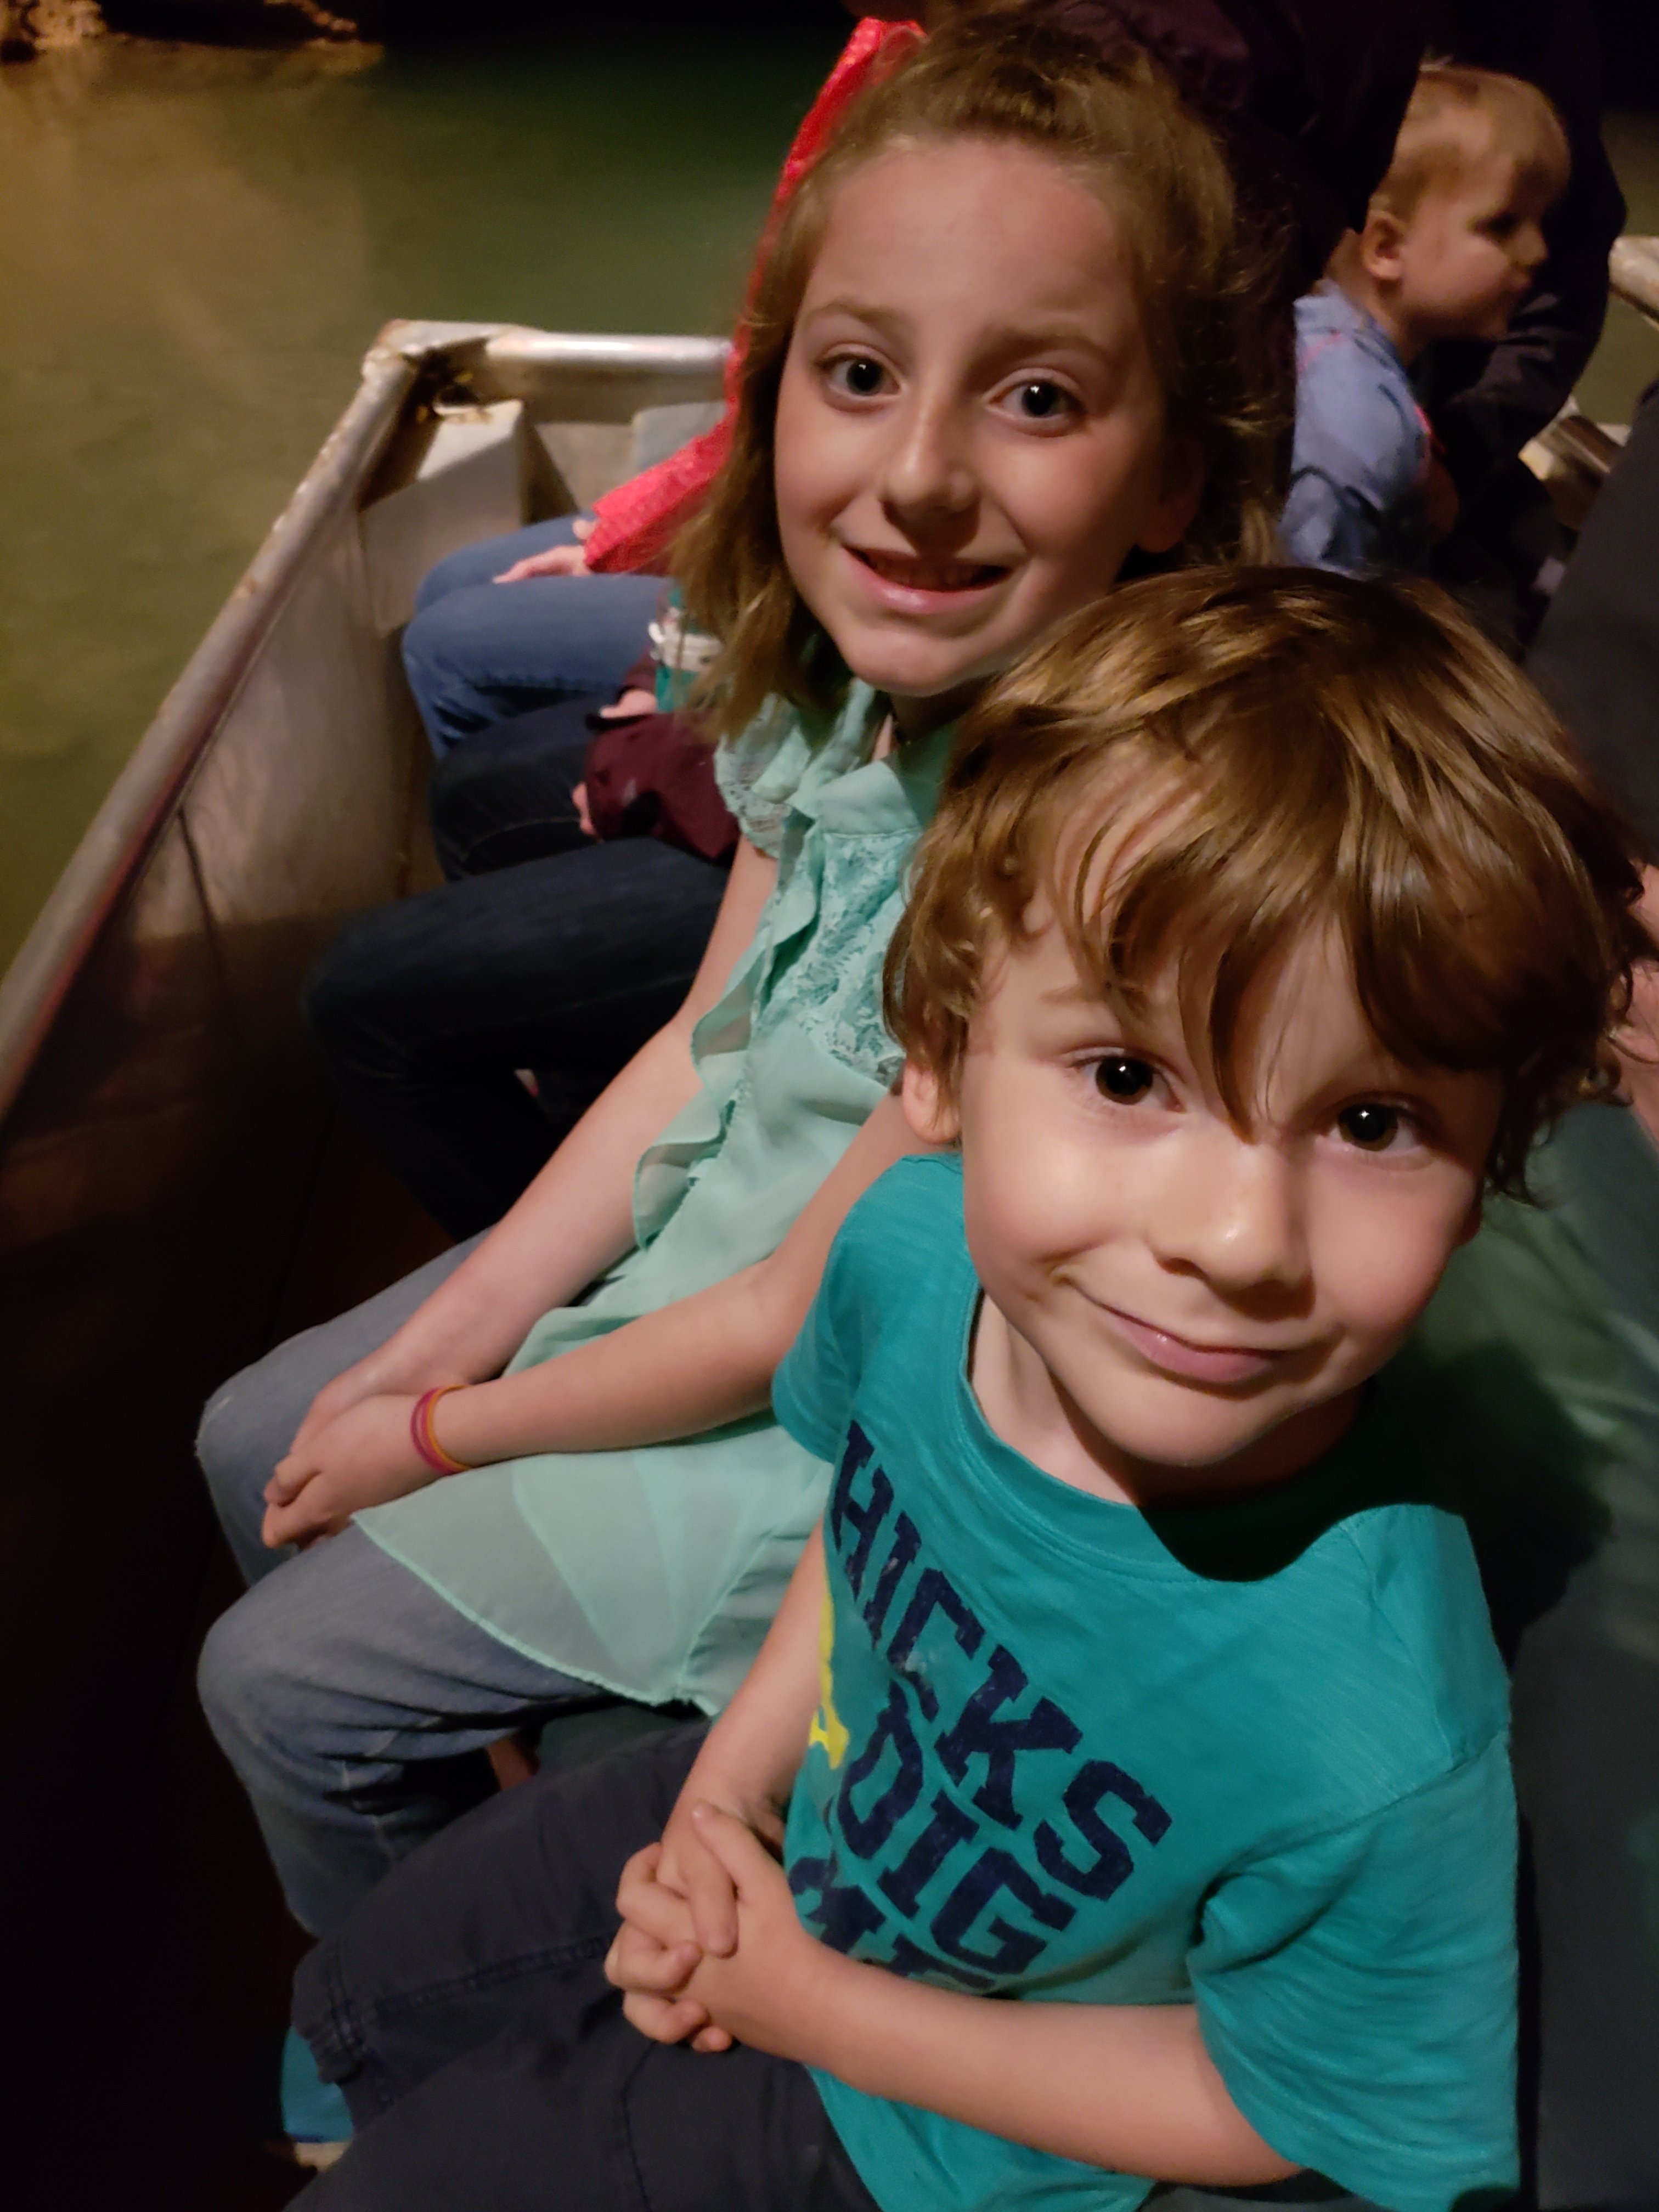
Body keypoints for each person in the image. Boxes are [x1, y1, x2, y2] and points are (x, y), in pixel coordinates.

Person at [281, 567, 1652, 2212]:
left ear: (1487, 1150)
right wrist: (730, 1794)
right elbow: (863, 1543)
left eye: (1373, 1124)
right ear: (936, 1050)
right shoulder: (916, 1262)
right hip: (813, 1815)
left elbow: (1284, 2107)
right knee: (360, 1995)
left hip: (917, 2143)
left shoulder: (1373, 1719)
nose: (1238, 1240)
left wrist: (808, 2004)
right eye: (1130, 1075)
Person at [196, 9, 1283, 1945]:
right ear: (775, 397)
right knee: (248, 1433)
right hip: (706, 1257)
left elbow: (804, 1309)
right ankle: (471, 1883)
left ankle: (407, 2012)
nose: (922, 478)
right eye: (859, 375)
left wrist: (437, 1428)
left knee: (269, 1684)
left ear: (1176, 477)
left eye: (1035, 400)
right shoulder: (836, 701)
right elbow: (693, 1065)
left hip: (807, 1417)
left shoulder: (1086, 856)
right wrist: (435, 1351)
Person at [1282, 63, 1569, 576]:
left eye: (1538, 223)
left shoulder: (1355, 349)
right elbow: (1306, 606)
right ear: (1387, 248)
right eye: (1502, 225)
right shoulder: (1355, 426)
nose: (1537, 251)